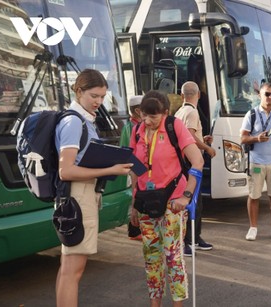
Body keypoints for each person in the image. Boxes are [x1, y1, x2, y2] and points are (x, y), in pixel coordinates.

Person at [55, 69, 134, 307]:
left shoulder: (81, 120)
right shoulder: (73, 122)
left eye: (102, 96)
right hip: (78, 196)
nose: (99, 102)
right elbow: (66, 170)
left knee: (67, 267)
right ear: (79, 91)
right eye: (94, 96)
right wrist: (109, 170)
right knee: (73, 271)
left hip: (79, 195)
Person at [129, 91, 203, 307]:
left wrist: (186, 196)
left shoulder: (174, 126)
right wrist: (133, 204)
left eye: (154, 117)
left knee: (173, 258)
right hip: (145, 202)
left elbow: (197, 162)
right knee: (151, 258)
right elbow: (135, 169)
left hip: (172, 202)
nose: (148, 121)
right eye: (144, 116)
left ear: (165, 113)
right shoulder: (137, 132)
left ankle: (177, 304)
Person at [174, 81, 215, 256]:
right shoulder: (192, 112)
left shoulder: (179, 111)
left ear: (182, 96)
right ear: (198, 95)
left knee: (193, 200)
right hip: (192, 160)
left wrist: (202, 139)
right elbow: (190, 136)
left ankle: (194, 237)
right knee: (193, 201)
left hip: (183, 159)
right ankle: (190, 239)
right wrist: (206, 148)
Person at [240, 82, 271, 241]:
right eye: (267, 94)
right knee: (254, 195)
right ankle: (253, 227)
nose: (270, 98)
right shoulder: (251, 114)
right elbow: (243, 138)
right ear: (260, 96)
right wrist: (256, 138)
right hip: (256, 161)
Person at [120, 95, 144, 240]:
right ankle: (134, 231)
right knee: (134, 197)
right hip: (133, 169)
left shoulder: (132, 125)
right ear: (137, 110)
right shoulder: (133, 127)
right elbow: (130, 153)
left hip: (133, 168)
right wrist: (143, 171)